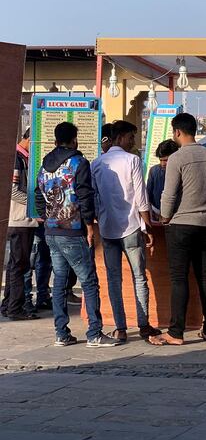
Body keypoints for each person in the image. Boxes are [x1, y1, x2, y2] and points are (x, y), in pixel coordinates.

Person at [34, 122, 119, 347]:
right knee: (89, 281)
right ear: (74, 140)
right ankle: (94, 333)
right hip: (72, 230)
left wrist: (49, 217)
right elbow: (84, 195)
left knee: (60, 282)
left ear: (55, 141)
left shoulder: (44, 166)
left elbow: (38, 197)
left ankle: (61, 333)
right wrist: (89, 225)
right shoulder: (78, 162)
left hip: (51, 230)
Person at [148, 113, 206, 346]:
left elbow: (169, 193)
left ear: (177, 132)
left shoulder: (177, 158)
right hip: (205, 225)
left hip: (180, 225)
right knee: (205, 276)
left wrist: (165, 216)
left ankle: (176, 332)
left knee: (178, 278)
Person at [91, 120, 161, 342]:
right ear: (120, 137)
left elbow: (94, 197)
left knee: (114, 280)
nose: (133, 142)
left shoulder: (97, 163)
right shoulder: (132, 160)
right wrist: (147, 225)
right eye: (131, 137)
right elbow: (141, 197)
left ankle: (120, 327)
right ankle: (143, 324)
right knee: (139, 278)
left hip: (107, 227)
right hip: (131, 226)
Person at [2, 128, 40, 320]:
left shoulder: (23, 158)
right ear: (29, 139)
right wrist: (36, 206)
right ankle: (15, 308)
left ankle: (8, 304)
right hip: (19, 220)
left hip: (22, 220)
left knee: (15, 265)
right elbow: (13, 191)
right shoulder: (17, 158)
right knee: (19, 265)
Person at [146, 139, 179, 219]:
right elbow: (148, 195)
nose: (163, 164)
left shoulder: (181, 171)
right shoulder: (154, 171)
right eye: (161, 160)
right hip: (156, 214)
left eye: (166, 160)